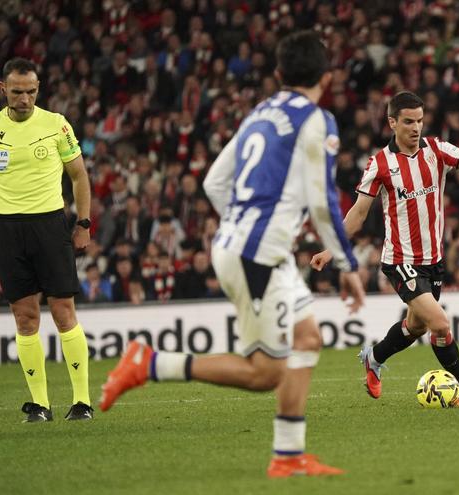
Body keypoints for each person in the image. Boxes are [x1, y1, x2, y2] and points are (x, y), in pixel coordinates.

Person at [99, 31, 365, 478]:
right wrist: (347, 265)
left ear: (279, 75)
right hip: (255, 255)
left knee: (307, 339)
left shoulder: (259, 114)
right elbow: (323, 203)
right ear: (328, 76)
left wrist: (245, 226)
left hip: (249, 247)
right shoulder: (317, 121)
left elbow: (214, 183)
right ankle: (149, 363)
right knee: (264, 373)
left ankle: (289, 455)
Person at [311, 91, 459, 407]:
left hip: (433, 260)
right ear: (392, 122)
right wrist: (331, 249)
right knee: (439, 324)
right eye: (408, 121)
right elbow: (357, 213)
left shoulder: (436, 150)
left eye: (420, 121)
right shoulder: (380, 164)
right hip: (399, 260)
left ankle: (375, 357)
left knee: (415, 326)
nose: (416, 127)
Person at [0, 58, 94, 422]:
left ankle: (82, 401)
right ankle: (39, 405)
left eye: (32, 91)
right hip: (7, 229)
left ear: (38, 90)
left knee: (62, 312)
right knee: (24, 318)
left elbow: (79, 176)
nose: (25, 98)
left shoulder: (56, 125)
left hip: (50, 226)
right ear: (3, 89)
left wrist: (83, 222)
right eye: (18, 91)